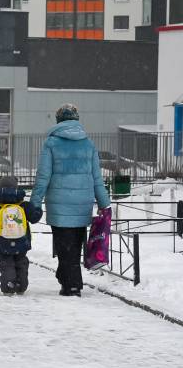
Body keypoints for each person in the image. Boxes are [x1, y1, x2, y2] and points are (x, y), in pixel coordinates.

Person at [29, 104, 111, 297]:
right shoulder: (88, 144)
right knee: (74, 246)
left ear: (58, 121)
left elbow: (43, 177)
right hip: (83, 204)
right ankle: (71, 280)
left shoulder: (51, 143)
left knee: (64, 247)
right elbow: (97, 178)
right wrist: (104, 203)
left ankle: (71, 285)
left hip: (59, 204)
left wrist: (35, 202)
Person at [0, 175, 42, 295]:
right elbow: (34, 217)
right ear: (16, 188)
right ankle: (21, 285)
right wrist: (38, 209)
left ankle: (9, 286)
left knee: (6, 264)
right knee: (21, 263)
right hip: (21, 242)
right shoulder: (23, 205)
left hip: (3, 243)